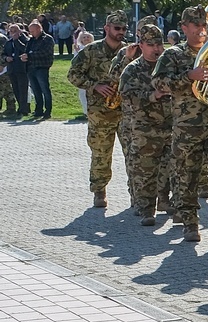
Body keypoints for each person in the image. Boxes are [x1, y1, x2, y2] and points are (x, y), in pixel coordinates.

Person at [153, 6, 208, 243]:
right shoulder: (173, 55)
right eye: (196, 25)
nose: (202, 29)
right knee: (186, 176)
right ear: (184, 28)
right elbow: (159, 83)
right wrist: (189, 76)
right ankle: (190, 224)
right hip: (187, 127)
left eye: (204, 25)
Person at [67, 12, 133, 207]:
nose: (121, 32)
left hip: (126, 112)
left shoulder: (130, 51)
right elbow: (73, 75)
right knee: (101, 154)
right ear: (106, 28)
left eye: (124, 29)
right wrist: (94, 86)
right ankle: (99, 191)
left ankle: (137, 194)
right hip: (100, 113)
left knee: (134, 154)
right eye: (117, 28)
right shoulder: (91, 51)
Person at [115, 24, 174, 224]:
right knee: (145, 170)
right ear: (141, 45)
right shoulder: (133, 69)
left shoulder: (169, 66)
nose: (156, 49)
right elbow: (126, 96)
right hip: (145, 128)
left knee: (170, 168)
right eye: (151, 45)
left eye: (159, 44)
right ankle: (147, 209)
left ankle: (165, 201)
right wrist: (152, 95)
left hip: (170, 126)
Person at [23, 19, 54, 118]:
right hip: (30, 67)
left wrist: (30, 55)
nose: (31, 33)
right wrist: (25, 56)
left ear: (39, 29)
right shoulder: (31, 40)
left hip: (42, 67)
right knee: (36, 90)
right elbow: (26, 51)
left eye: (32, 31)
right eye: (30, 31)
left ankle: (48, 111)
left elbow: (45, 52)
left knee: (45, 90)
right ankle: (38, 110)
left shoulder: (47, 39)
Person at [3, 23, 27, 114]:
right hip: (12, 69)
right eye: (11, 31)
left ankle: (24, 109)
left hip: (22, 69)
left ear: (19, 31)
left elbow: (24, 49)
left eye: (15, 31)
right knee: (16, 90)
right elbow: (4, 54)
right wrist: (6, 58)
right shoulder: (8, 43)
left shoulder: (25, 40)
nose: (13, 33)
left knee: (22, 90)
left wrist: (16, 40)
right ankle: (20, 108)